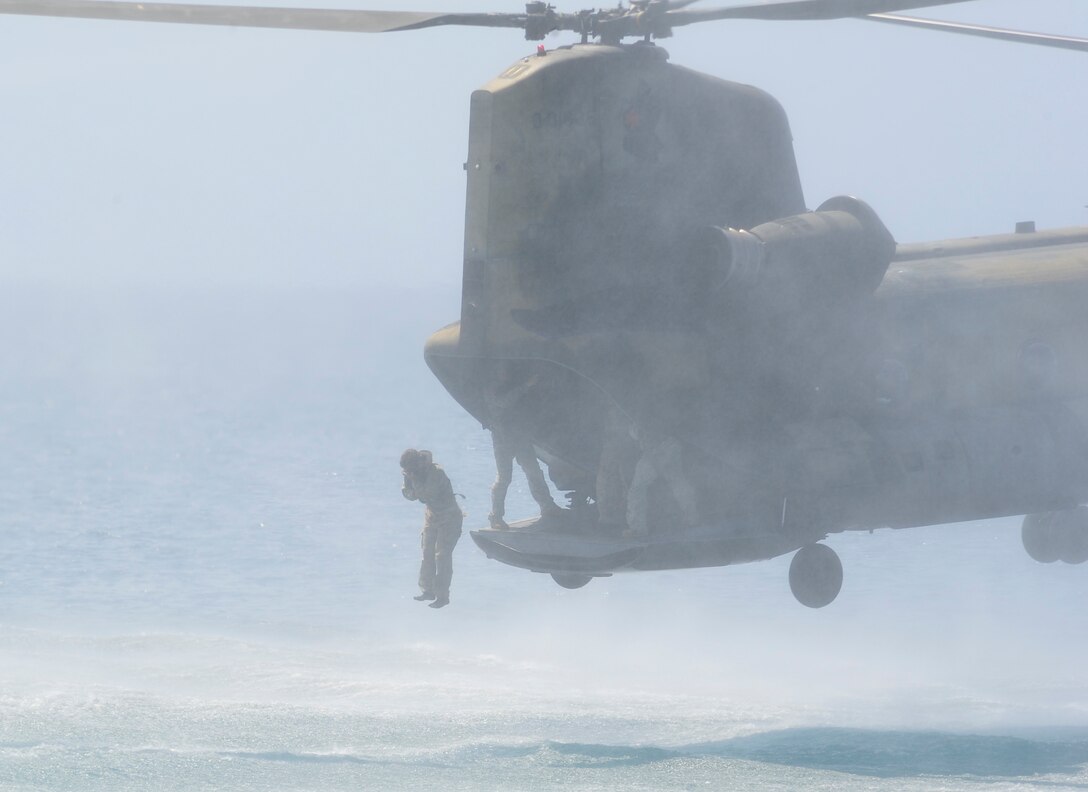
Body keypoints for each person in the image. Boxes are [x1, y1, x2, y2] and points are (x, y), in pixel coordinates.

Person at [483, 367, 563, 530]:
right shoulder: (492, 388)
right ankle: (496, 516)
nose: (505, 373)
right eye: (502, 370)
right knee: (504, 478)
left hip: (520, 436)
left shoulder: (512, 384)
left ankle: (548, 506)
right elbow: (504, 402)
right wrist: (526, 386)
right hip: (503, 439)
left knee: (534, 472)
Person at [400, 448, 463, 608]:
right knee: (427, 553)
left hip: (449, 518)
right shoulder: (412, 472)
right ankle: (427, 590)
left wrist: (413, 480)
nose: (409, 472)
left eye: (411, 470)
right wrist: (409, 480)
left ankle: (442, 596)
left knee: (442, 556)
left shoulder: (436, 473)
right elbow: (409, 495)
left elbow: (426, 495)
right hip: (432, 516)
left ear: (418, 464)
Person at [625, 426, 701, 539]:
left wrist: (635, 432)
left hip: (654, 448)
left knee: (637, 488)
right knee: (677, 481)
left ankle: (637, 528)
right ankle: (692, 517)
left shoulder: (640, 417)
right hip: (671, 444)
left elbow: (637, 431)